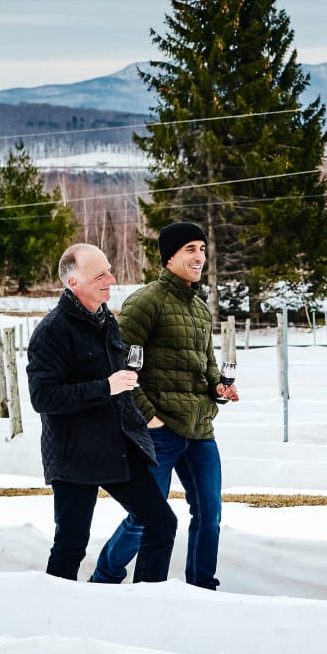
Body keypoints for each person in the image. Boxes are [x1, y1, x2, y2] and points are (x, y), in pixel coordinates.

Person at [91, 221, 238, 589]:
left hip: (200, 430)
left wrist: (218, 388)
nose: (199, 257)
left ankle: (201, 586)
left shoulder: (200, 309)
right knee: (144, 516)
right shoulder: (145, 301)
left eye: (202, 250)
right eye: (190, 249)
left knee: (210, 515)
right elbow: (120, 364)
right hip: (160, 431)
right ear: (169, 256)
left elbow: (205, 367)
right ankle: (105, 576)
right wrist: (148, 416)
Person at [27, 242, 178, 582]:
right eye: (100, 275)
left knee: (161, 524)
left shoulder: (107, 319)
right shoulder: (51, 332)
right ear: (73, 284)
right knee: (71, 545)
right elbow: (43, 397)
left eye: (109, 269)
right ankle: (52, 618)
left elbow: (117, 382)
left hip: (118, 447)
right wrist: (105, 387)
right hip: (75, 453)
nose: (112, 278)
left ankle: (145, 600)